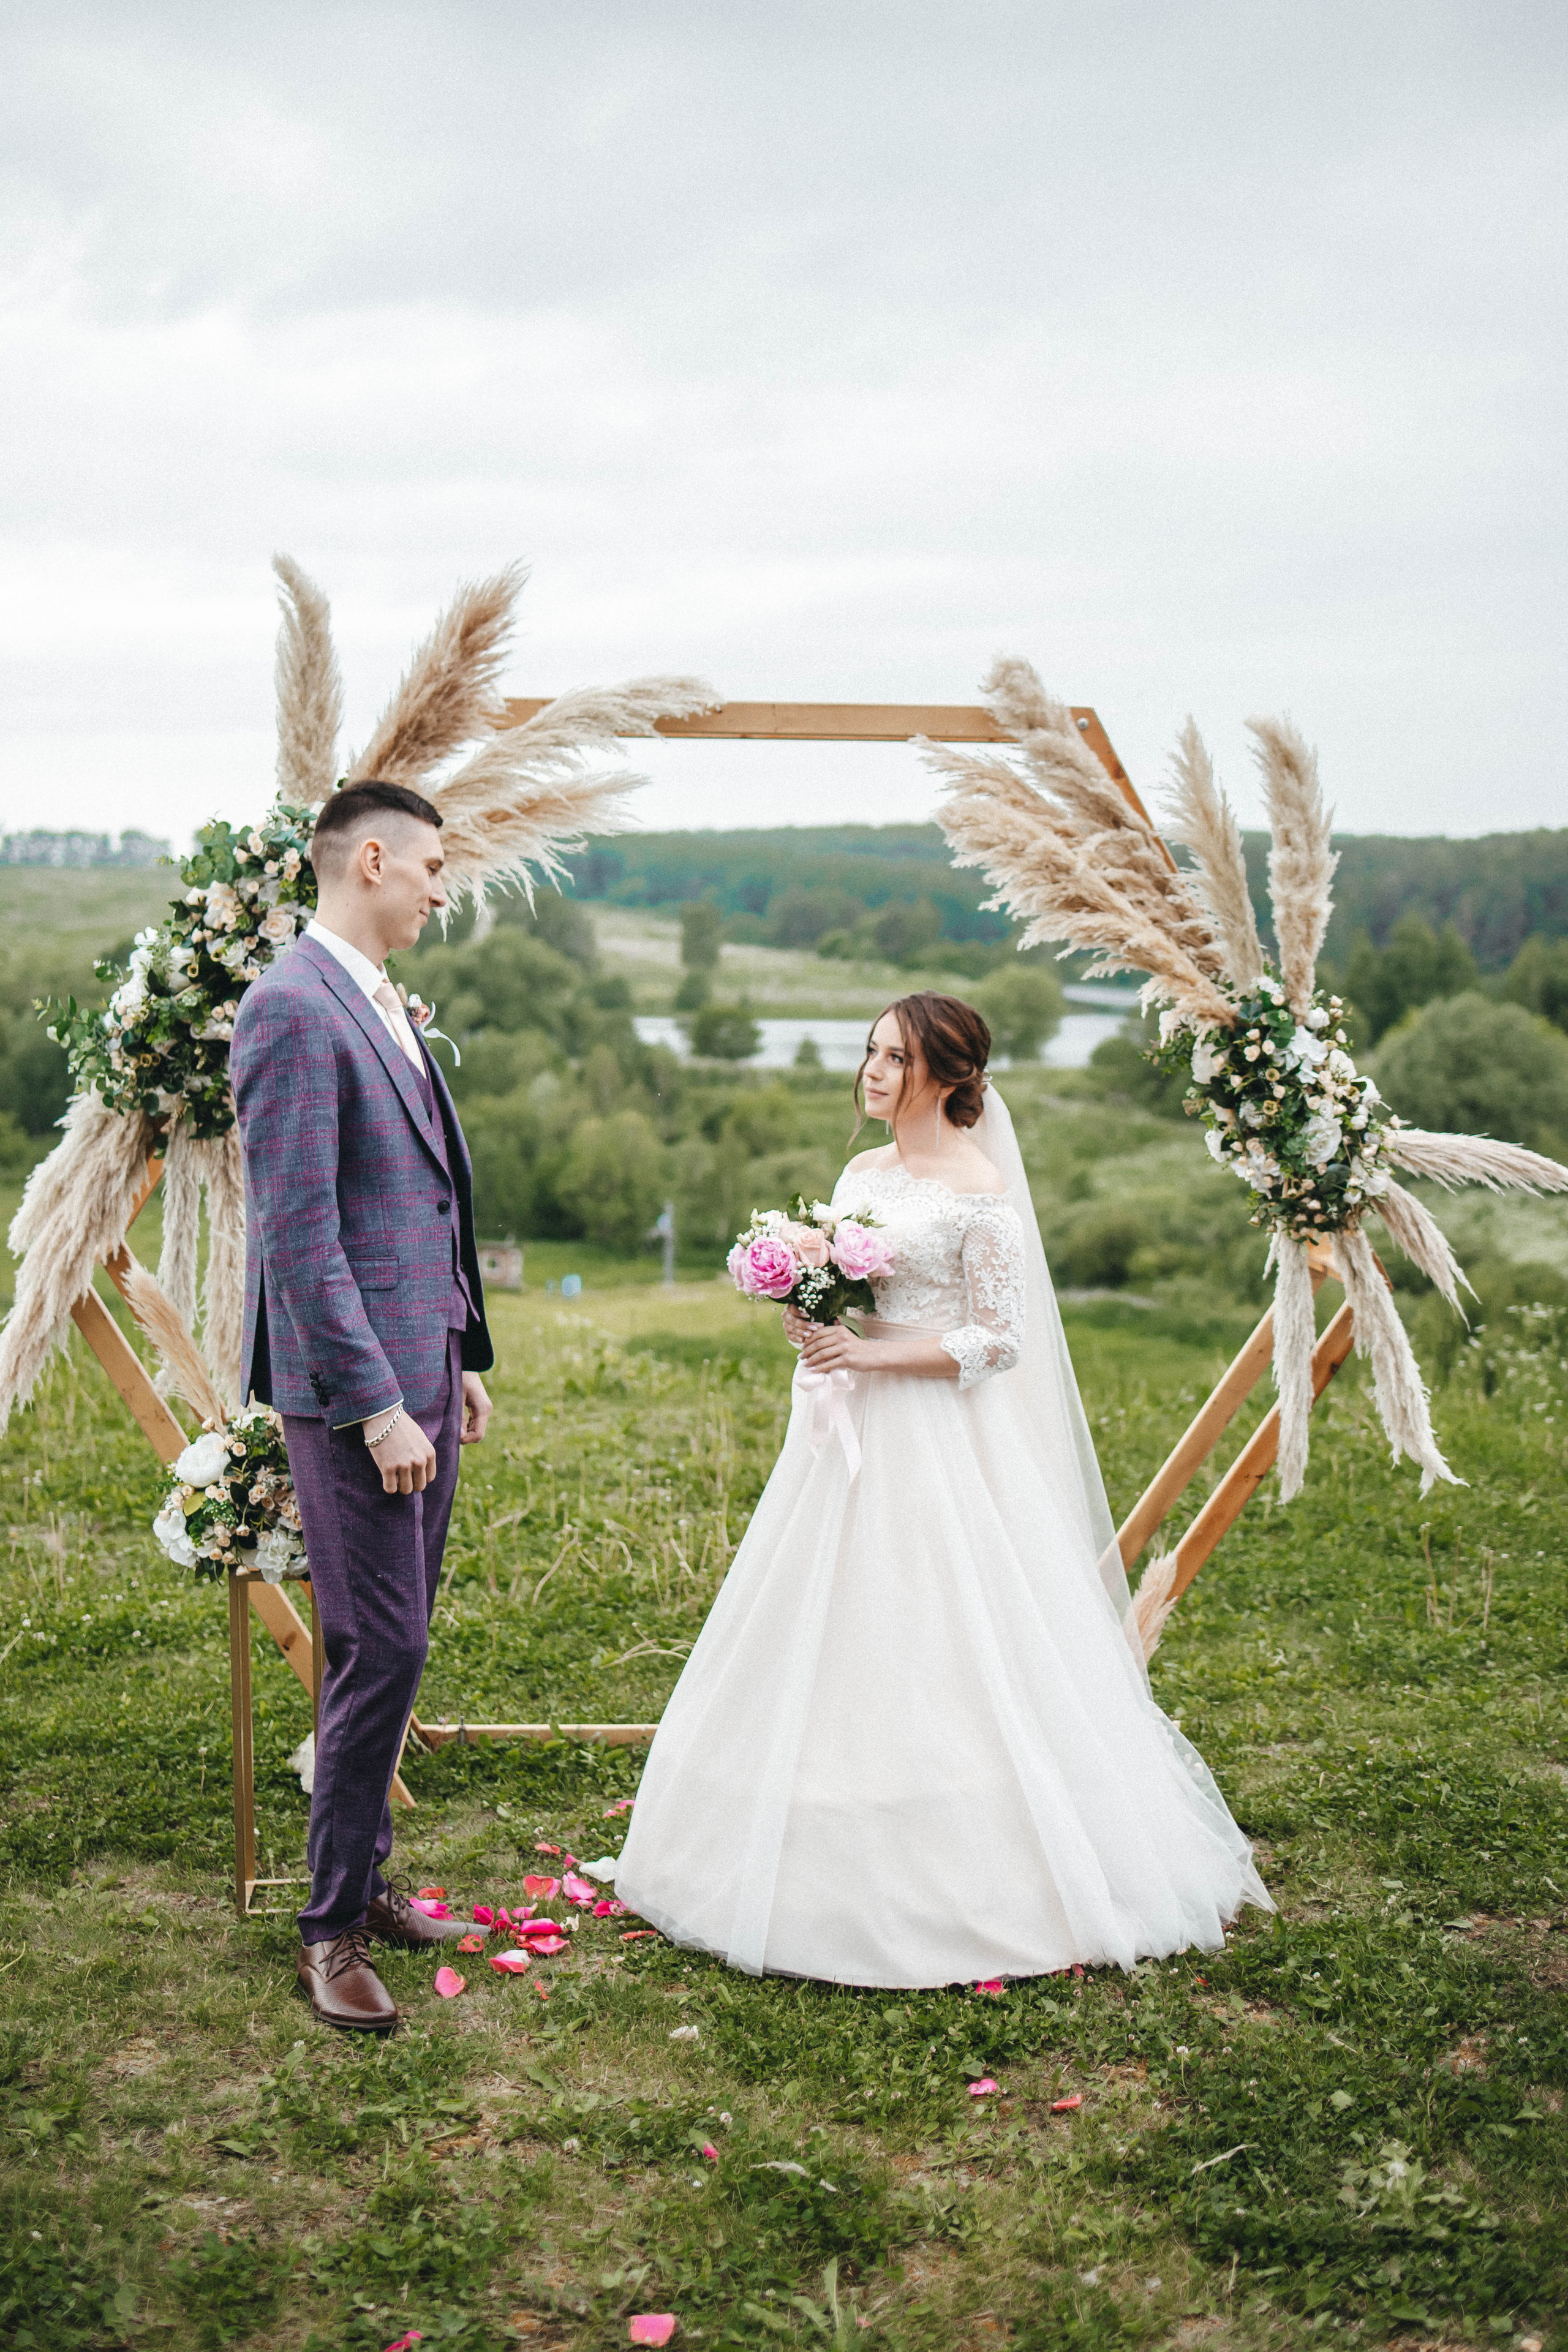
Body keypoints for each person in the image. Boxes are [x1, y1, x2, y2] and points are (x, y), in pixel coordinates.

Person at [614, 992, 1271, 1986]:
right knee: (829, 1622)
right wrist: (817, 1317)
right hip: (850, 1435)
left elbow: (998, 1340)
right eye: (871, 1053)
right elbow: (862, 1304)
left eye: (897, 1058)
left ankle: (965, 1849)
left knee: (938, 1627)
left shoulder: (981, 1190)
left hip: (940, 1441)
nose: (874, 1072)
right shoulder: (861, 1171)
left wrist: (873, 1358)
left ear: (954, 1077)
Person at [230, 780, 494, 2031]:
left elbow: (420, 1200)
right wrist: (381, 1405)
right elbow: (300, 1238)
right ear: (372, 858)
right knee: (378, 1647)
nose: (443, 890)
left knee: (399, 1642)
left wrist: (460, 1352)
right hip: (355, 1398)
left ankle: (365, 1883)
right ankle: (330, 1927)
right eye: (433, 867)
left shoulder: (377, 999)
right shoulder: (291, 1009)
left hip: (421, 1367)